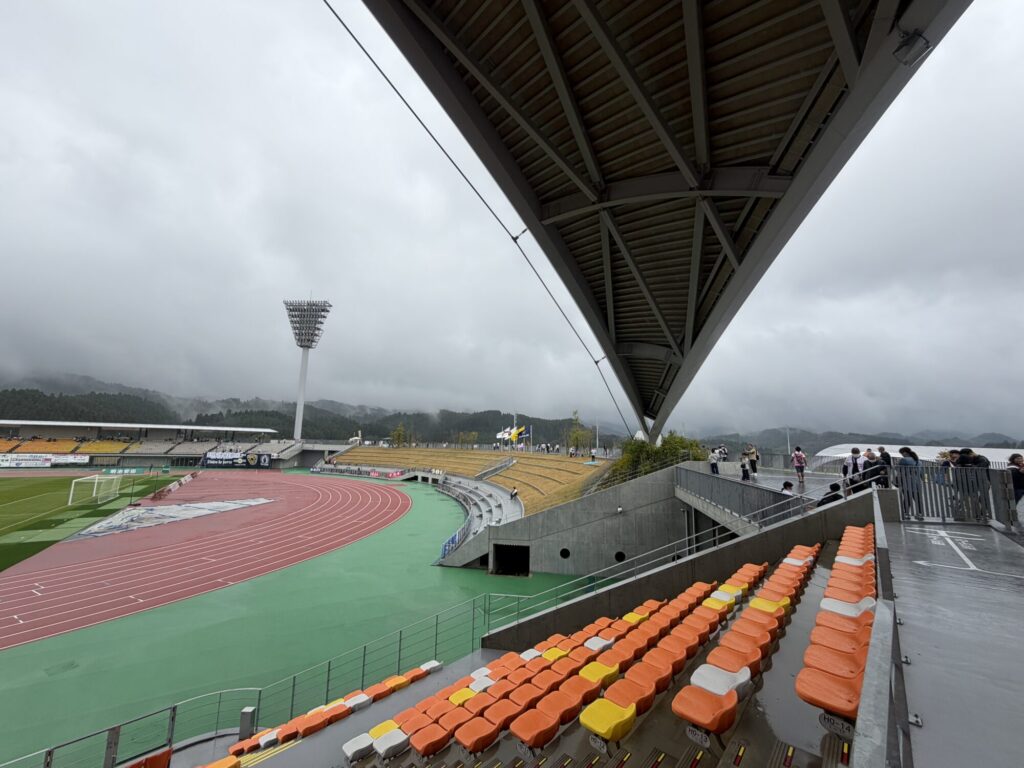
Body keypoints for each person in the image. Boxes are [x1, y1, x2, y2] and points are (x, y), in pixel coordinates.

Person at [896, 447, 922, 519]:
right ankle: (920, 514)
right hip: (917, 482)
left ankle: (906, 514)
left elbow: (897, 468)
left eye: (901, 453)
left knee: (907, 498)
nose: (902, 455)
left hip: (907, 481)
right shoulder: (919, 461)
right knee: (917, 499)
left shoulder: (904, 460)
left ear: (905, 452)